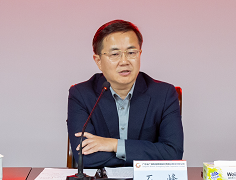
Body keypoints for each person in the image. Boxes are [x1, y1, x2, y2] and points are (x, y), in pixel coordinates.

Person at [67, 19, 183, 168]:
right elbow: (85, 157)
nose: (124, 61)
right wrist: (142, 154)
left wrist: (114, 145)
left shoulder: (164, 94)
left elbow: (172, 153)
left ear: (140, 54)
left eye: (131, 53)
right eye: (115, 54)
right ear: (98, 61)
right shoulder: (81, 95)